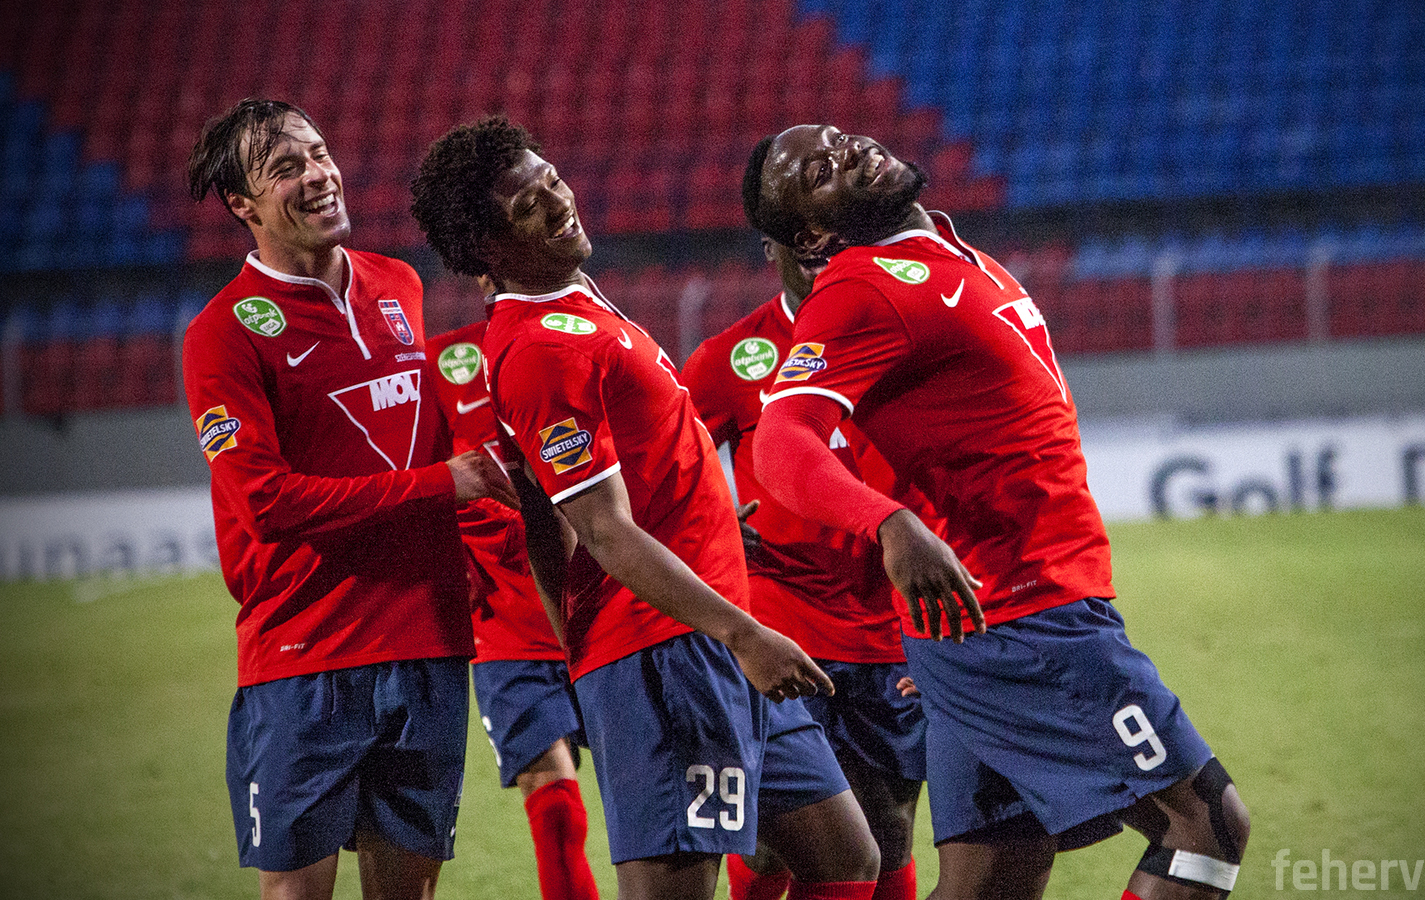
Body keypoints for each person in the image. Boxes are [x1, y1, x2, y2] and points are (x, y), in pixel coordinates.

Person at [743, 124, 1251, 900]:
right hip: (1024, 616)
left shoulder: (949, 256)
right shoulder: (860, 287)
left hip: (983, 623)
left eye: (838, 138)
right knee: (1208, 825)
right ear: (812, 235)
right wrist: (889, 523)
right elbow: (782, 441)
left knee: (993, 880)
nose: (845, 151)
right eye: (818, 173)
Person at [409, 116, 881, 900]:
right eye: (528, 204)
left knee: (846, 858)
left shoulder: (577, 306)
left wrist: (704, 541)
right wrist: (734, 636)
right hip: (670, 655)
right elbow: (600, 528)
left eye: (550, 178)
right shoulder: (539, 350)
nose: (558, 200)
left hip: (707, 628)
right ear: (489, 248)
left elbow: (542, 517)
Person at [183, 98, 517, 900]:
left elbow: (432, 439)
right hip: (307, 653)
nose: (318, 176)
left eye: (319, 154)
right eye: (285, 169)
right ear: (242, 205)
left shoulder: (398, 282)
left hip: (429, 641)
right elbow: (266, 503)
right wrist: (444, 484)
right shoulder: (221, 334)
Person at [682, 239, 926, 900]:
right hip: (778, 626)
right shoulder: (729, 357)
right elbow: (667, 465)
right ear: (769, 242)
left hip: (890, 625)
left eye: (835, 228)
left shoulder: (904, 334)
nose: (820, 242)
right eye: (799, 228)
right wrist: (711, 519)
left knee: (890, 828)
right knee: (778, 840)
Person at [425, 287, 600, 900]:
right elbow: (412, 476)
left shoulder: (583, 337)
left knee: (658, 796)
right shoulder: (438, 364)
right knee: (555, 808)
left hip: (599, 613)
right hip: (505, 626)